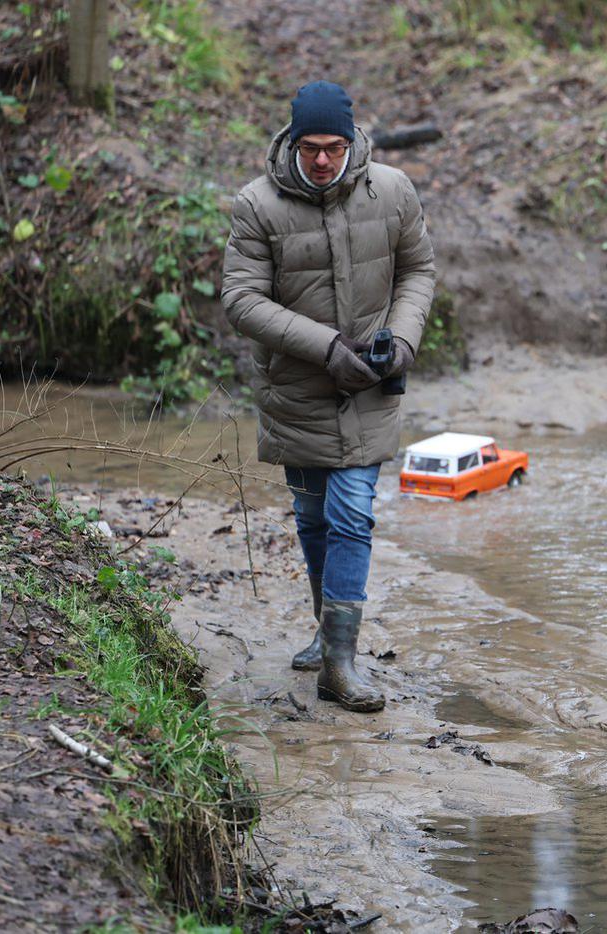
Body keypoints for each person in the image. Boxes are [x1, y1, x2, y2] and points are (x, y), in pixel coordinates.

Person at [221, 81, 436, 713]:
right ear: (292, 141)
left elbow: (418, 270)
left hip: (371, 386)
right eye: (311, 148)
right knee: (314, 519)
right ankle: (326, 630)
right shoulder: (257, 205)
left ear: (352, 142)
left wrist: (401, 338)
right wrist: (323, 346)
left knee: (350, 514)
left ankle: (340, 665)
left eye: (335, 148)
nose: (323, 160)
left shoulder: (392, 191)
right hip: (298, 390)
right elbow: (241, 299)